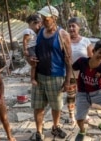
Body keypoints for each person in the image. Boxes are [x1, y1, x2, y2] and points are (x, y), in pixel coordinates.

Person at [31, 5, 72, 141]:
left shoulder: (63, 35)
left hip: (56, 76)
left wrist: (67, 81)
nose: (42, 22)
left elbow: (68, 60)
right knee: (38, 106)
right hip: (39, 76)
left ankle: (55, 126)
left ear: (54, 19)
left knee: (56, 106)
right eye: (42, 19)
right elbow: (31, 51)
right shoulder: (39, 32)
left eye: (46, 19)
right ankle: (39, 131)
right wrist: (29, 58)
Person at [72, 40, 101, 141]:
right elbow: (72, 67)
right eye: (100, 53)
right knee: (79, 119)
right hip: (82, 93)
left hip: (97, 92)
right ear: (93, 51)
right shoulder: (82, 61)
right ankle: (82, 130)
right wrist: (67, 60)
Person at [66, 17, 93, 124]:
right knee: (71, 96)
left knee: (84, 96)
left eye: (74, 26)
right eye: (69, 26)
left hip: (84, 75)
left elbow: (91, 58)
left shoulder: (86, 41)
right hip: (70, 74)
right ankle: (71, 116)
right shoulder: (65, 41)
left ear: (79, 27)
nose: (71, 29)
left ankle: (84, 114)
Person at [22, 14, 42, 85]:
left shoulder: (33, 32)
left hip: (34, 48)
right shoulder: (28, 31)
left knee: (36, 63)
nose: (38, 27)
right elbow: (25, 40)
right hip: (30, 48)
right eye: (38, 25)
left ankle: (34, 78)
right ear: (33, 23)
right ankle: (32, 79)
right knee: (34, 64)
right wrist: (25, 50)